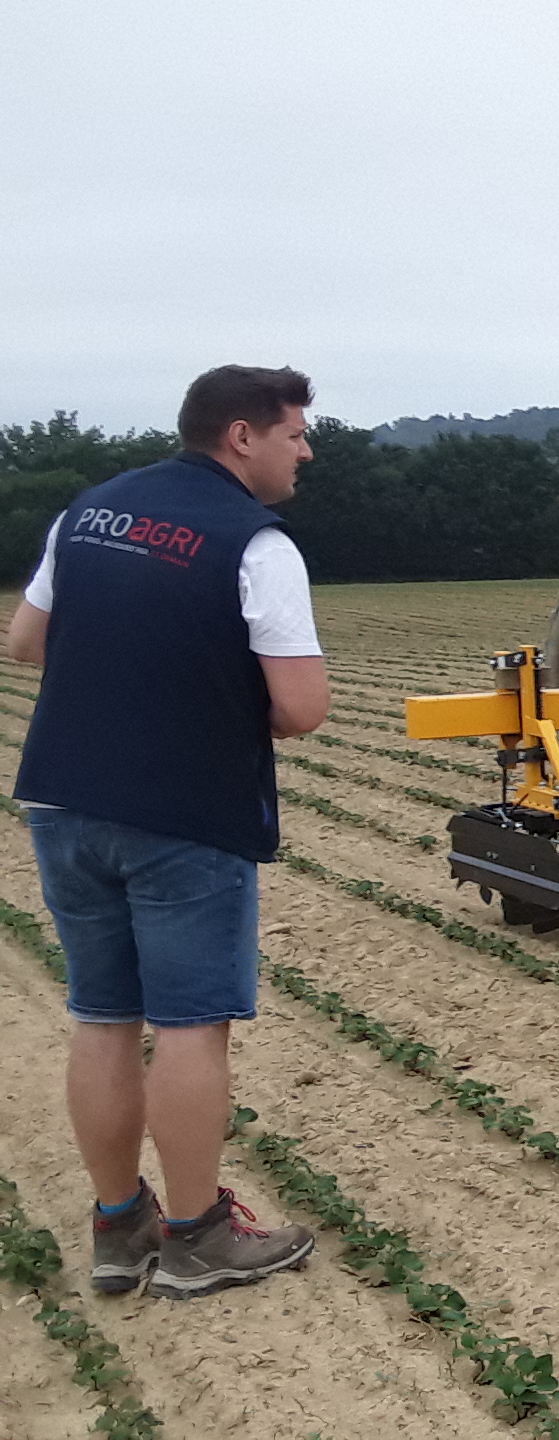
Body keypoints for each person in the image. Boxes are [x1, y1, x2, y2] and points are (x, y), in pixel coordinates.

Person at [7, 365, 327, 1299]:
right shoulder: (257, 543)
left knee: (102, 1015)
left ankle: (118, 1228)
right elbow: (301, 708)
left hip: (63, 801)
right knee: (192, 1026)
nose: (305, 450)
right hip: (184, 813)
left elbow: (26, 642)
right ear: (241, 436)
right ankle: (196, 1236)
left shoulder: (91, 510)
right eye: (296, 433)